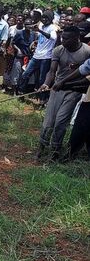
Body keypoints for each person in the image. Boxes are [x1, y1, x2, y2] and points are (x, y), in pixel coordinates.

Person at [37, 26, 90, 160]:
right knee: (48, 121)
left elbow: (86, 71)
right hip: (57, 88)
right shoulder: (58, 50)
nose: (63, 40)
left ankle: (55, 151)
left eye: (66, 39)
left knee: (61, 121)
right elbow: (52, 71)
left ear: (76, 38)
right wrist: (46, 84)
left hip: (74, 91)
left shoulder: (87, 51)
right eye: (62, 37)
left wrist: (70, 80)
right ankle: (42, 149)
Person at [52, 57, 90, 160]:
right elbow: (84, 69)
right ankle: (70, 155)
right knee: (79, 130)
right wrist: (64, 83)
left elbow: (85, 82)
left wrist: (67, 85)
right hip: (88, 101)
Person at [18, 10, 57, 101]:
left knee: (42, 79)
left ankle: (42, 99)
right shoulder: (41, 26)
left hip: (46, 57)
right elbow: (41, 39)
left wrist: (39, 30)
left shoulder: (52, 27)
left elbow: (53, 37)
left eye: (46, 18)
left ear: (51, 19)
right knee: (25, 74)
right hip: (36, 56)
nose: (44, 19)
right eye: (43, 17)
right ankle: (21, 93)